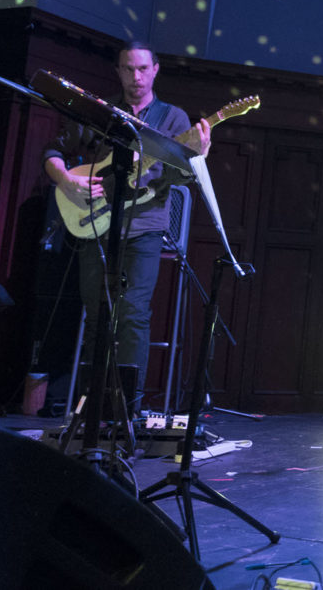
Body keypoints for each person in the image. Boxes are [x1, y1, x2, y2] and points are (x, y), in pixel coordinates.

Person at [43, 41, 210, 415]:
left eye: (142, 69)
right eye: (128, 69)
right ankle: (91, 406)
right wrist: (65, 180)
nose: (136, 77)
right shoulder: (99, 111)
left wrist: (198, 154)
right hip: (96, 225)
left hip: (146, 227)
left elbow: (181, 176)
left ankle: (125, 409)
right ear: (117, 71)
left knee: (133, 313)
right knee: (97, 309)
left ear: (155, 70)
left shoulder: (172, 119)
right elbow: (53, 150)